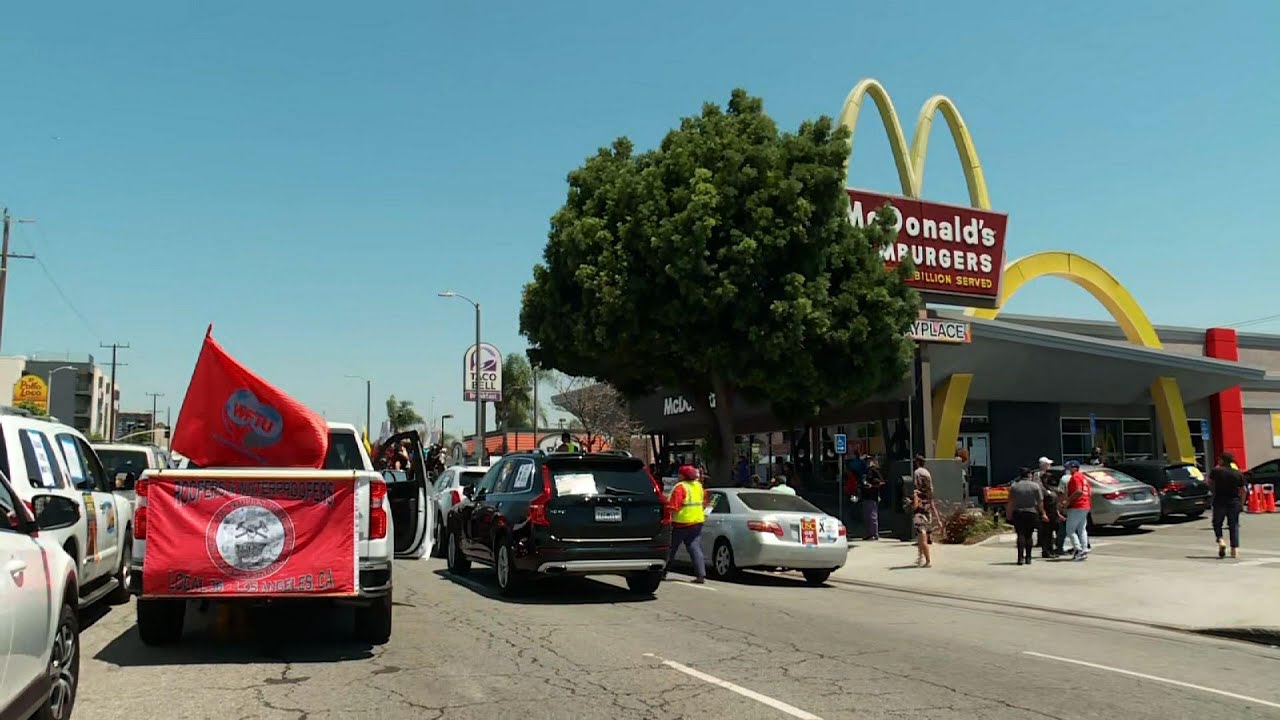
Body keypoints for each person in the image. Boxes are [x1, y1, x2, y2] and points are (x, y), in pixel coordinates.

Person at [665, 465, 711, 583]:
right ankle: (701, 575)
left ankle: (662, 572)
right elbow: (705, 503)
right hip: (697, 521)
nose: (678, 476)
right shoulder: (699, 486)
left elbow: (674, 506)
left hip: (681, 522)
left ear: (682, 476)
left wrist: (665, 507)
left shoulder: (680, 487)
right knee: (694, 547)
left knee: (671, 548)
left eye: (679, 474)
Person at [1209, 452, 1247, 559]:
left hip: (1219, 501)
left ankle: (1221, 540)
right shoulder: (1238, 473)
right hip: (1233, 501)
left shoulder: (1216, 471)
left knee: (1217, 523)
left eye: (1219, 459)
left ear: (1222, 460)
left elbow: (1209, 482)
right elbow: (1243, 490)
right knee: (1233, 525)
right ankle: (1234, 550)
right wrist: (1242, 503)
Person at [1006, 468, 1048, 566]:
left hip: (1018, 512)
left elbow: (1010, 502)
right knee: (1029, 535)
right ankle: (1028, 557)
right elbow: (1040, 502)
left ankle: (1020, 557)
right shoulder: (1035, 486)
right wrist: (1043, 513)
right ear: (1029, 475)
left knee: (1020, 534)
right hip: (1032, 512)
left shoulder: (1015, 486)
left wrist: (1008, 514)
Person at [1061, 460, 1091, 561]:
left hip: (1077, 506)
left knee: (1070, 530)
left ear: (1074, 467)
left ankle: (1078, 549)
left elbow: (1078, 490)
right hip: (1085, 505)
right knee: (1082, 529)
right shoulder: (1084, 477)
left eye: (1069, 467)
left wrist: (1068, 501)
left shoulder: (1076, 477)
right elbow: (1089, 492)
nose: (1068, 469)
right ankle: (1084, 549)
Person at [1036, 457, 1063, 558]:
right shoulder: (1039, 478)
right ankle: (1046, 550)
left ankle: (1050, 550)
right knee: (1046, 532)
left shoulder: (1051, 489)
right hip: (1046, 511)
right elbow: (1040, 499)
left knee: (1050, 532)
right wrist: (1043, 513)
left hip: (1052, 512)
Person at [911, 456, 936, 567]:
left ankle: (925, 559)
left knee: (921, 536)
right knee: (922, 536)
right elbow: (931, 491)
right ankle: (920, 557)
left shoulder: (917, 472)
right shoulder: (928, 473)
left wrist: (913, 504)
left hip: (920, 510)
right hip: (927, 509)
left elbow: (916, 490)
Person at [859, 457, 884, 540]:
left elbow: (882, 482)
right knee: (866, 517)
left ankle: (874, 534)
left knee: (872, 516)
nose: (867, 462)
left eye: (868, 461)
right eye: (866, 461)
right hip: (865, 496)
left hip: (872, 496)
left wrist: (872, 486)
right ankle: (868, 533)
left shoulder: (874, 470)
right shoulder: (864, 471)